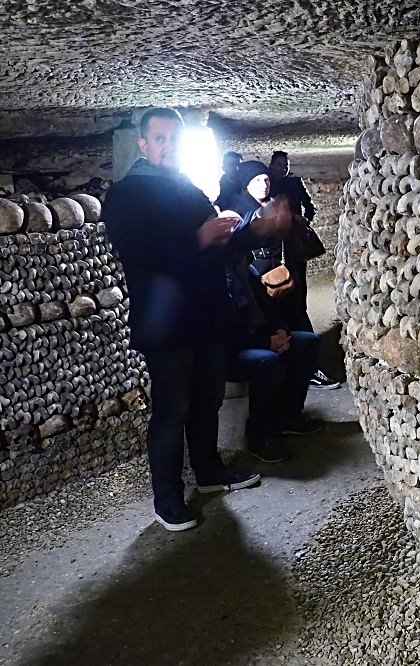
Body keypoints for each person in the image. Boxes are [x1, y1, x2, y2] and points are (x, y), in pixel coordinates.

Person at [102, 108, 289, 532]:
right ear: (145, 144)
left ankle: (208, 473)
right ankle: (166, 498)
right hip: (164, 324)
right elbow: (139, 255)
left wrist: (254, 229)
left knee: (208, 401)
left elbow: (218, 247)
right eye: (161, 138)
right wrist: (198, 238)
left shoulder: (187, 191)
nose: (169, 146)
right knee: (172, 410)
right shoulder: (127, 195)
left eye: (175, 139)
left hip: (205, 318)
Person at [225, 163, 326, 463]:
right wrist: (264, 344)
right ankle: (260, 435)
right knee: (267, 363)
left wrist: (279, 330)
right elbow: (225, 325)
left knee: (306, 342)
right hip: (230, 349)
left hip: (256, 337)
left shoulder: (240, 266)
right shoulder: (215, 275)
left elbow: (261, 303)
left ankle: (289, 417)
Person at [268, 151, 341, 389]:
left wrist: (303, 219)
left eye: (286, 165)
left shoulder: (293, 183)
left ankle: (302, 335)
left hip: (294, 246)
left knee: (297, 291)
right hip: (276, 252)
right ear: (272, 166)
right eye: (279, 165)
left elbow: (309, 205)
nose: (283, 169)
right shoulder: (269, 188)